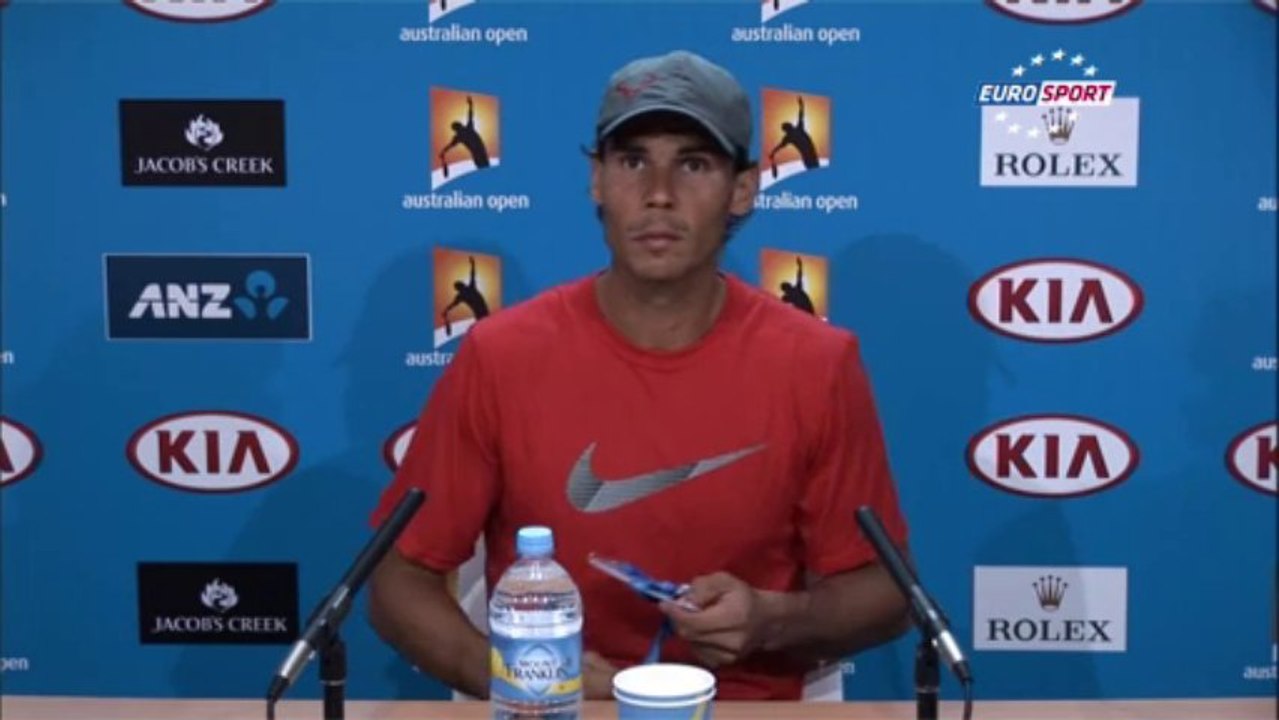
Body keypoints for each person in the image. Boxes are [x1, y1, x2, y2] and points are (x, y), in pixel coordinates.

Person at [368, 49, 911, 702]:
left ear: (742, 188)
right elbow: (397, 584)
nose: (658, 194)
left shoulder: (816, 363)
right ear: (596, 180)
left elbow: (886, 593)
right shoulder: (501, 355)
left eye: (692, 163)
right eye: (632, 162)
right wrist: (531, 680)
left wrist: (772, 619)